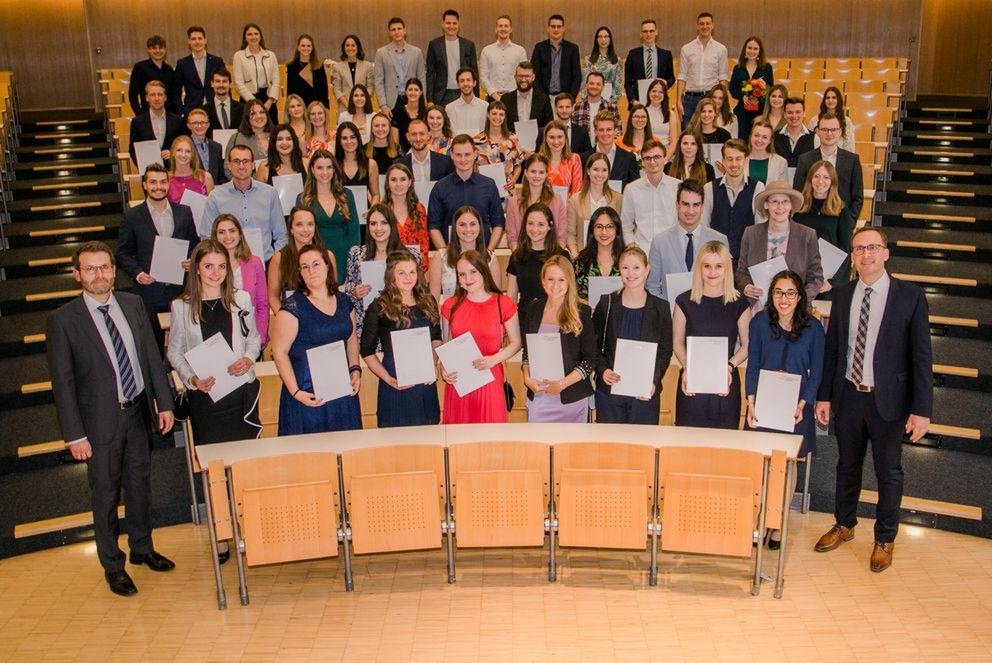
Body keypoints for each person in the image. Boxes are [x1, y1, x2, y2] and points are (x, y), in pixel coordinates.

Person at [47, 242, 176, 597]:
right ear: (77, 275)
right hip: (98, 424)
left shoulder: (132, 304)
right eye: (90, 269)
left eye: (104, 267)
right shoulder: (63, 320)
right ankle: (112, 565)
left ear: (113, 270)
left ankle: (142, 547)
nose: (99, 275)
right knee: (105, 495)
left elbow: (151, 356)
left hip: (137, 412)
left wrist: (164, 404)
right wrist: (75, 436)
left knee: (140, 485)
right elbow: (64, 384)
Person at [814, 226, 933, 572]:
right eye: (859, 249)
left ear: (885, 253)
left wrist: (921, 409)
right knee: (846, 466)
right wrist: (825, 397)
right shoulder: (842, 295)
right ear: (852, 257)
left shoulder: (909, 296)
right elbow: (833, 350)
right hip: (849, 396)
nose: (866, 254)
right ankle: (845, 524)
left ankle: (884, 538)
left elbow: (921, 358)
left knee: (888, 472)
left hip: (889, 401)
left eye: (872, 248)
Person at [746, 269, 824, 548]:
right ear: (771, 295)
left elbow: (816, 372)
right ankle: (760, 520)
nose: (784, 298)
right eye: (778, 292)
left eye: (791, 292)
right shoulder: (759, 323)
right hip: (764, 403)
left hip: (795, 407)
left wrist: (806, 402)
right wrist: (750, 400)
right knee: (762, 464)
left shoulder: (814, 328)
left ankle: (777, 525)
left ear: (800, 296)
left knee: (789, 464)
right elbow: (753, 364)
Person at [166, 240, 262, 446]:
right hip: (206, 394)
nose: (215, 273)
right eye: (208, 266)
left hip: (240, 390)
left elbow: (253, 338)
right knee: (213, 459)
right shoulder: (181, 306)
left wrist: (248, 358)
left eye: (221, 266)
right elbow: (174, 352)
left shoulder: (241, 299)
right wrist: (192, 379)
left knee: (246, 455)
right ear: (197, 269)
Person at [270, 245, 362, 435]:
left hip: (342, 390)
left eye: (316, 264)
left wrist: (355, 368)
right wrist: (295, 392)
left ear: (328, 266)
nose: (311, 271)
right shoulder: (292, 306)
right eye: (304, 267)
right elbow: (279, 352)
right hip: (307, 395)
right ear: (300, 273)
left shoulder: (344, 300)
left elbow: (352, 337)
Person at [116, 164, 199, 352]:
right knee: (153, 345)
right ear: (144, 185)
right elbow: (123, 253)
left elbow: (195, 244)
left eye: (163, 182)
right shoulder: (132, 216)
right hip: (149, 291)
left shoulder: (184, 212)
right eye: (153, 182)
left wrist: (192, 259)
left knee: (186, 343)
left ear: (168, 184)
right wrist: (137, 273)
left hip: (181, 289)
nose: (158, 186)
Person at [672, 240, 750, 429]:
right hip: (691, 383)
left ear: (727, 269)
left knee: (724, 450)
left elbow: (748, 346)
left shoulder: (740, 304)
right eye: (707, 266)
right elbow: (677, 342)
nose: (712, 272)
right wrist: (687, 367)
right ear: (699, 268)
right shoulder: (684, 301)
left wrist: (729, 367)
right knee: (689, 448)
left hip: (725, 383)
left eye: (718, 266)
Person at [592, 245, 673, 424]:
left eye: (636, 267)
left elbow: (665, 352)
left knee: (642, 448)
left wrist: (653, 380)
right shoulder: (606, 304)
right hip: (610, 393)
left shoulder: (661, 308)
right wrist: (603, 370)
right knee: (611, 448)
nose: (631, 273)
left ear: (647, 270)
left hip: (644, 393)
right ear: (619, 270)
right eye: (625, 268)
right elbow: (594, 346)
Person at [361, 250, 443, 427]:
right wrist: (388, 378)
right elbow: (366, 350)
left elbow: (436, 338)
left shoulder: (428, 301)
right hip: (395, 380)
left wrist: (432, 364)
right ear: (391, 276)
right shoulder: (378, 306)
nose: (408, 277)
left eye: (412, 272)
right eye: (401, 273)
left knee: (428, 437)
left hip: (424, 381)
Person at [439, 250, 522, 424]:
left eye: (473, 272)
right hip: (459, 382)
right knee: (458, 441)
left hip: (490, 377)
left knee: (490, 438)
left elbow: (516, 342)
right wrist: (444, 370)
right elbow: (446, 346)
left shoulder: (504, 303)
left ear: (483, 271)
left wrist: (494, 359)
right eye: (462, 274)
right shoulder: (449, 306)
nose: (467, 278)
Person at [520, 255, 598, 422]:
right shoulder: (533, 309)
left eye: (561, 280)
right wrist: (527, 379)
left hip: (572, 399)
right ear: (543, 281)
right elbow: (527, 353)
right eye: (551, 279)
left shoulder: (582, 312)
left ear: (569, 281)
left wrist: (561, 385)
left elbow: (590, 359)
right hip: (539, 396)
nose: (555, 286)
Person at [736, 181, 824, 305]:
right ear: (766, 205)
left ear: (791, 205)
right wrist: (746, 286)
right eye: (774, 201)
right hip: (758, 307)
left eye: (785, 202)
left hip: (794, 311)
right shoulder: (751, 233)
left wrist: (799, 300)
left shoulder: (807, 235)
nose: (780, 207)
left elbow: (816, 278)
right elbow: (741, 271)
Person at [343, 202, 420, 338]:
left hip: (401, 321)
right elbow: (347, 294)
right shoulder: (356, 254)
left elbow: (420, 291)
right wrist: (356, 293)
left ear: (392, 224)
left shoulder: (410, 254)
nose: (378, 228)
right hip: (367, 324)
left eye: (384, 223)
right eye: (373, 223)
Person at [646, 179, 729, 301]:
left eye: (696, 205)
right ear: (677, 205)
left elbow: (726, 283)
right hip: (670, 315)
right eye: (685, 204)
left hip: (709, 314)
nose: (691, 211)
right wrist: (666, 312)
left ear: (702, 207)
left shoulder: (719, 240)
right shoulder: (659, 242)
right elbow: (652, 286)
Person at [201, 144, 287, 260]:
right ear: (229, 166)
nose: (241, 166)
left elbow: (281, 235)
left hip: (264, 264)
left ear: (253, 165)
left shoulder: (270, 194)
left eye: (245, 161)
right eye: (236, 161)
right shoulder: (215, 196)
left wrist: (274, 260)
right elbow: (207, 236)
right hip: (228, 265)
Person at [427, 134, 505, 250]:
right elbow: (433, 226)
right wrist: (444, 255)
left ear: (475, 155)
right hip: (450, 254)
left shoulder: (489, 185)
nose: (463, 160)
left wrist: (489, 252)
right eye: (458, 155)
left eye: (467, 154)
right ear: (452, 155)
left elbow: (498, 223)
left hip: (482, 254)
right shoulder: (440, 187)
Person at [793, 160, 856, 292]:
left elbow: (845, 249)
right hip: (804, 277)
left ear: (833, 181)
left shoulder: (841, 210)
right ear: (810, 179)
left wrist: (832, 282)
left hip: (830, 280)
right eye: (817, 176)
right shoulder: (800, 208)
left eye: (826, 177)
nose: (820, 181)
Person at [297, 149, 360, 274]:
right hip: (317, 258)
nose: (325, 172)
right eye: (320, 168)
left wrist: (354, 261)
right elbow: (300, 234)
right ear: (312, 170)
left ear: (334, 170)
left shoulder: (347, 195)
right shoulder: (303, 199)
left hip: (345, 256)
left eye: (329, 167)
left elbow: (355, 231)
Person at [793, 112, 864, 220]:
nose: (829, 133)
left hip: (840, 219)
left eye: (834, 129)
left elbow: (857, 197)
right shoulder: (805, 159)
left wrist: (848, 222)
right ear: (817, 132)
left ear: (840, 132)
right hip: (810, 220)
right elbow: (798, 192)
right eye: (825, 129)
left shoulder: (852, 160)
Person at [703, 139, 765, 263]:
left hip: (746, 261)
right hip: (716, 260)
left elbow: (760, 229)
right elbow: (704, 227)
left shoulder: (758, 187)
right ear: (723, 161)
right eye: (729, 159)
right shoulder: (709, 188)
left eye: (738, 159)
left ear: (746, 160)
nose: (734, 164)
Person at [211, 214, 269, 345]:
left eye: (232, 231)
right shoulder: (208, 265)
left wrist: (260, 336)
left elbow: (262, 304)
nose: (228, 237)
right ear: (215, 236)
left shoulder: (255, 263)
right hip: (219, 333)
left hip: (250, 332)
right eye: (221, 232)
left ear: (240, 234)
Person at [267, 206, 338, 311]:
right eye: (299, 225)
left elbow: (333, 291)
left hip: (324, 318)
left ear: (315, 227)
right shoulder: (279, 258)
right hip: (292, 320)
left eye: (310, 224)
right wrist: (285, 319)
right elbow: (273, 297)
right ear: (291, 229)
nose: (305, 229)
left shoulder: (328, 256)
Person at [429, 205, 501, 300]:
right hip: (451, 313)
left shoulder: (490, 258)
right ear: (455, 227)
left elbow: (497, 300)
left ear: (480, 226)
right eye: (462, 224)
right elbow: (433, 300)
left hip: (482, 314)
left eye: (473, 224)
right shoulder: (440, 257)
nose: (468, 229)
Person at [620, 139, 680, 252]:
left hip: (672, 249)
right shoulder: (631, 189)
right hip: (642, 251)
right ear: (642, 162)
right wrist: (631, 246)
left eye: (657, 157)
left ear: (665, 159)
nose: (652, 162)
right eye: (647, 158)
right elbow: (625, 225)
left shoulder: (677, 187)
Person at [507, 202, 570, 305]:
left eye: (540, 224)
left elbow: (569, 294)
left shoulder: (562, 256)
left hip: (555, 317)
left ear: (550, 226)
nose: (534, 229)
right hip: (526, 317)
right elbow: (511, 297)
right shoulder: (517, 256)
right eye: (530, 223)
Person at [676, 12, 729, 130]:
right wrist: (679, 101)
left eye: (707, 23)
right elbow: (682, 76)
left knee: (709, 133)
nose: (705, 26)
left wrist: (722, 101)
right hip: (689, 99)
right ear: (697, 26)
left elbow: (723, 77)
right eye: (701, 24)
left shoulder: (721, 49)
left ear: (712, 25)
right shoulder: (686, 48)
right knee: (688, 134)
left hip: (710, 97)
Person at [566, 153, 623, 257]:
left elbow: (621, 231)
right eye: (596, 169)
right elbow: (570, 234)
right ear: (588, 171)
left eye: (604, 170)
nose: (600, 174)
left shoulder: (619, 199)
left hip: (611, 257)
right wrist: (575, 254)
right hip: (583, 255)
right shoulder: (575, 200)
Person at [506, 154, 566, 250]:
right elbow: (512, 239)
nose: (537, 176)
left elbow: (561, 237)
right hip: (523, 257)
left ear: (547, 174)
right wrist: (520, 259)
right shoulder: (514, 203)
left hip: (550, 257)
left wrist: (553, 260)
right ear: (526, 173)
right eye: (533, 171)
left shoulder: (557, 201)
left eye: (541, 172)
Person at [382, 163, 431, 269]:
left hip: (413, 267)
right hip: (388, 267)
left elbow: (424, 241)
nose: (398, 184)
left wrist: (421, 268)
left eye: (403, 179)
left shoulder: (419, 209)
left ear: (409, 182)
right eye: (393, 180)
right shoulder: (381, 210)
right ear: (387, 183)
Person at [426, 9, 478, 106]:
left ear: (458, 25)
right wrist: (429, 100)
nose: (451, 26)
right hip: (441, 95)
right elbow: (430, 74)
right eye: (448, 23)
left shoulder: (468, 45)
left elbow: (474, 73)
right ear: (443, 24)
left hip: (463, 92)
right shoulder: (434, 45)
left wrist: (476, 98)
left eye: (454, 23)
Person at [374, 17, 427, 112]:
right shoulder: (381, 53)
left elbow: (422, 78)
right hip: (391, 103)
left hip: (412, 99)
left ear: (404, 30)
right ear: (389, 33)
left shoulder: (416, 52)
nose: (396, 32)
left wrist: (422, 101)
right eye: (393, 30)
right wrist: (383, 105)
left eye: (399, 29)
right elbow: (379, 81)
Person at [573, 205, 624, 303]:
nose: (604, 232)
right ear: (592, 230)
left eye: (609, 226)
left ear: (617, 229)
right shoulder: (580, 262)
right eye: (599, 227)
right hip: (587, 316)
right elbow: (571, 294)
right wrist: (586, 305)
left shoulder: (627, 261)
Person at [232, 23, 280, 125]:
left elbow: (276, 81)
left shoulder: (271, 55)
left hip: (268, 100)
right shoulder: (239, 56)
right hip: (248, 99)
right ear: (245, 38)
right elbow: (238, 83)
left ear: (260, 36)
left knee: (272, 131)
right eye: (249, 34)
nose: (253, 37)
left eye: (256, 33)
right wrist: (254, 103)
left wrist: (270, 101)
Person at [128, 81, 184, 167]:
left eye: (160, 95)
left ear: (165, 97)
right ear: (146, 98)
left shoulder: (178, 121)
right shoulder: (137, 123)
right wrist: (144, 167)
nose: (156, 98)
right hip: (149, 175)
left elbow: (185, 145)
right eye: (152, 95)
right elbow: (133, 150)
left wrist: (174, 154)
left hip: (174, 172)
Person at [474, 100, 524, 195]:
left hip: (507, 190)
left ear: (504, 117)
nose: (497, 117)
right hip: (483, 191)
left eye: (501, 114)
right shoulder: (477, 141)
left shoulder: (513, 139)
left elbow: (518, 165)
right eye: (494, 113)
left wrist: (513, 180)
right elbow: (473, 167)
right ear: (488, 115)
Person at [172, 26, 223, 117]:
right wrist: (182, 112)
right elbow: (176, 92)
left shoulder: (217, 61)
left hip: (215, 109)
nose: (197, 42)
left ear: (205, 40)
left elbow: (225, 86)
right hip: (191, 111)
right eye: (193, 39)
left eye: (200, 38)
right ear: (189, 41)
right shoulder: (182, 64)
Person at [581, 111, 641, 189]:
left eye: (609, 129)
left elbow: (636, 188)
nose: (605, 133)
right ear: (595, 132)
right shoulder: (584, 158)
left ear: (615, 131)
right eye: (601, 130)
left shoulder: (629, 158)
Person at [729, 36, 773, 139]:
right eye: (749, 48)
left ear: (759, 51)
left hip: (760, 112)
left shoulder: (767, 68)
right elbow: (732, 89)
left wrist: (760, 98)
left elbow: (770, 89)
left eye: (755, 48)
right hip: (742, 113)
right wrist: (742, 97)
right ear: (745, 49)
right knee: (742, 140)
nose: (752, 51)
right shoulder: (738, 68)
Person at [479, 15, 528, 101]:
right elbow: (483, 77)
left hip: (515, 98)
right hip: (492, 98)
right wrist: (494, 94)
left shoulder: (520, 51)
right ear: (496, 29)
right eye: (500, 26)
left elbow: (524, 76)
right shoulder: (486, 51)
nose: (503, 29)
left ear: (510, 29)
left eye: (506, 26)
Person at [624, 19, 676, 102]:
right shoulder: (632, 55)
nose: (648, 34)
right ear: (641, 33)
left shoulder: (666, 55)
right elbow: (628, 82)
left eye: (651, 31)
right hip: (638, 103)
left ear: (656, 32)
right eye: (645, 31)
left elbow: (671, 78)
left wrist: (666, 83)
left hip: (659, 100)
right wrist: (633, 101)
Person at [531, 14, 581, 97]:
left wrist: (570, 97)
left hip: (565, 97)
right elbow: (533, 74)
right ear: (548, 29)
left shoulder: (572, 49)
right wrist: (541, 97)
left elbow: (577, 76)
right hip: (544, 97)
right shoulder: (539, 48)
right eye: (553, 26)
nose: (556, 29)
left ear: (563, 29)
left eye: (559, 26)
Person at [501, 61, 554, 134]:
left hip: (537, 143)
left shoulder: (544, 99)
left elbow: (549, 126)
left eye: (527, 76)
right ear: (515, 77)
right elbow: (501, 125)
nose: (523, 80)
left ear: (533, 77)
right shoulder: (505, 99)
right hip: (511, 142)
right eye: (520, 76)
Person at [335, 121, 380, 207]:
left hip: (363, 214)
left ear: (358, 139)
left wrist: (371, 210)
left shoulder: (371, 164)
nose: (349, 141)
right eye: (344, 138)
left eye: (353, 137)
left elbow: (376, 195)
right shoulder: (333, 165)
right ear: (339, 141)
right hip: (340, 215)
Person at [128, 35, 176, 115]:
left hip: (168, 114)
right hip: (146, 113)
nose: (158, 51)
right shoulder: (139, 67)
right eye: (154, 48)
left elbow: (172, 94)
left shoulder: (169, 69)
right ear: (148, 50)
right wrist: (139, 114)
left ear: (165, 50)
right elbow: (133, 94)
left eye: (161, 48)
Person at [572, 71, 620, 143]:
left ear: (603, 87)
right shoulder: (576, 107)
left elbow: (618, 134)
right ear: (586, 85)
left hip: (605, 152)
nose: (594, 86)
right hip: (582, 152)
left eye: (598, 84)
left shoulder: (612, 108)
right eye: (591, 83)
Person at [329, 35, 375, 110]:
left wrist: (361, 102)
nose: (350, 48)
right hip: (345, 108)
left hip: (364, 107)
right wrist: (349, 106)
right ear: (344, 48)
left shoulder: (368, 66)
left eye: (353, 45)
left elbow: (370, 87)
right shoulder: (337, 67)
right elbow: (337, 90)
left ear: (358, 47)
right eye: (347, 45)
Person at [540, 120, 582, 198]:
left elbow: (577, 191)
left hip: (567, 208)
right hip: (542, 207)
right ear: (545, 139)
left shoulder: (574, 159)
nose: (556, 142)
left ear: (565, 138)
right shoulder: (538, 159)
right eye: (552, 137)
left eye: (559, 137)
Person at [582, 26, 623, 105]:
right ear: (596, 40)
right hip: (591, 97)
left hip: (610, 98)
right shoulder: (588, 59)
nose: (603, 40)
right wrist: (586, 100)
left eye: (606, 37)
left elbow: (618, 84)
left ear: (610, 39)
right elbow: (584, 83)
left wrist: (611, 102)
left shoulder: (617, 60)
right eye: (600, 37)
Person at [809, 86, 858, 153]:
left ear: (839, 100)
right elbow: (809, 145)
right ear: (824, 100)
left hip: (840, 159)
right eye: (827, 98)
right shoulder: (814, 121)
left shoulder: (846, 121)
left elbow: (850, 147)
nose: (830, 100)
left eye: (834, 97)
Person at [286, 34, 329, 109]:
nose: (306, 48)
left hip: (315, 109)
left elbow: (324, 91)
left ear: (312, 48)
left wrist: (325, 109)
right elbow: (290, 92)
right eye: (303, 46)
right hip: (299, 108)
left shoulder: (319, 66)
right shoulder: (291, 66)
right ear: (298, 48)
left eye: (308, 46)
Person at [167, 135, 214, 203]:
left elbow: (213, 207)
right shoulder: (166, 179)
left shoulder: (206, 177)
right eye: (179, 150)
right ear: (173, 153)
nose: (183, 155)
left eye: (188, 151)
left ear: (192, 155)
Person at [774, 97, 815, 172]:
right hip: (780, 182)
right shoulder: (774, 136)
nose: (794, 116)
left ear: (804, 113)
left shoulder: (815, 138)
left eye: (798, 112)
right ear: (784, 114)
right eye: (790, 112)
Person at [225, 98, 272, 163]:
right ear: (247, 117)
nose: (259, 116)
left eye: (262, 112)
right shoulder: (237, 138)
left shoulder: (276, 136)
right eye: (253, 113)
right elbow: (227, 166)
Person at [445, 68, 489, 136]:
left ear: (474, 83)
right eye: (462, 81)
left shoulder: (485, 106)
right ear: (458, 84)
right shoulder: (449, 108)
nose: (465, 84)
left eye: (468, 80)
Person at [186, 108, 225, 186]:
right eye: (195, 123)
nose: (199, 126)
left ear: (208, 125)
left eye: (203, 122)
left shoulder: (217, 147)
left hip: (214, 192)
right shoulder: (185, 146)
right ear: (189, 126)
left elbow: (221, 175)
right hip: (193, 192)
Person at [390, 78, 428, 152]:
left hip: (424, 151)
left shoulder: (426, 113)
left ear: (420, 93)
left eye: (416, 90)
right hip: (404, 154)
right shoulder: (397, 112)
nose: (413, 93)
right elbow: (395, 142)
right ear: (406, 92)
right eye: (410, 90)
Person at [746, 119, 788, 183]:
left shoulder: (781, 162)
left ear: (770, 141)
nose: (759, 140)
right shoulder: (740, 159)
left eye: (764, 137)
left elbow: (783, 190)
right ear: (751, 136)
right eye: (756, 135)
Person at [204, 68, 243, 132]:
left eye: (224, 81)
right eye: (217, 81)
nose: (221, 85)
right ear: (212, 84)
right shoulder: (204, 110)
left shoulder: (242, 109)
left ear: (230, 84)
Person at [644, 79, 678, 151]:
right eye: (654, 91)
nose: (657, 94)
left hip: (666, 154)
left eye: (660, 92)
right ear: (649, 93)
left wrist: (665, 159)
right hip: (647, 152)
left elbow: (673, 142)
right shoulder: (642, 112)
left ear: (664, 95)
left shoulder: (671, 114)